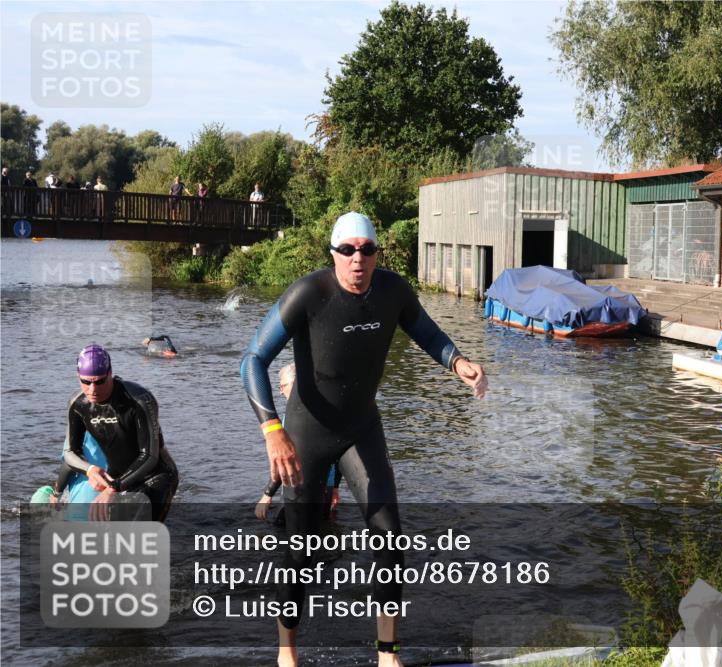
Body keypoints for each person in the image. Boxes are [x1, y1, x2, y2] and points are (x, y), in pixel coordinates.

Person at [240, 211, 487, 667]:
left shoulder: (393, 291)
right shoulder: (308, 294)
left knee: (390, 537)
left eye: (367, 249)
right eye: (348, 250)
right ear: (334, 253)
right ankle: (286, 652)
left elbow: (425, 330)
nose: (358, 259)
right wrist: (272, 430)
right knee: (300, 552)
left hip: (361, 429)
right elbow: (252, 359)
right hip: (307, 435)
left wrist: (457, 361)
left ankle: (387, 654)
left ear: (377, 254)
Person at [64, 344, 179, 522]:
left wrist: (114, 488)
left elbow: (149, 456)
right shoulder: (78, 405)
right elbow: (70, 452)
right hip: (117, 479)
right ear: (78, 376)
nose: (93, 389)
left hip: (155, 476)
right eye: (86, 382)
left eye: (99, 381)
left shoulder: (139, 399)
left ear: (110, 373)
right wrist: (90, 470)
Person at [255, 363, 341, 522]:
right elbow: (338, 452)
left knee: (284, 532)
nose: (281, 391)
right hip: (326, 488)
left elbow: (287, 459)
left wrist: (267, 494)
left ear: (295, 385)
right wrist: (335, 487)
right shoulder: (327, 411)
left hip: (299, 488)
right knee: (322, 530)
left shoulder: (294, 419)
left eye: (283, 386)